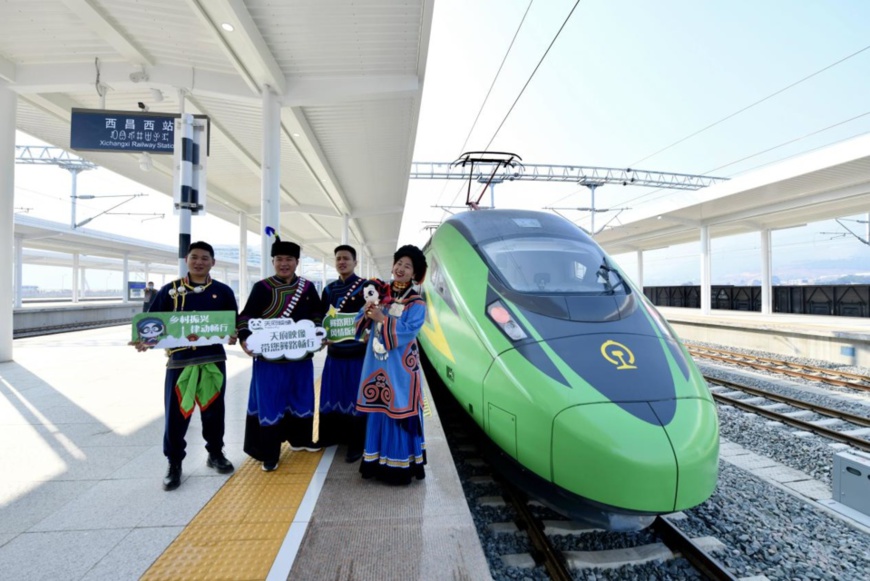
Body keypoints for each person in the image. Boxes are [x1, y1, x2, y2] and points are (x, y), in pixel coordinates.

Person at [134, 242, 238, 491]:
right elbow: (154, 323)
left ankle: (215, 453)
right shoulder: (170, 291)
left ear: (213, 262)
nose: (199, 262)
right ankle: (174, 463)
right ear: (186, 260)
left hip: (212, 361)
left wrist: (234, 334)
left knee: (214, 412)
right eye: (194, 257)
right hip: (179, 361)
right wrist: (145, 341)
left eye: (205, 258)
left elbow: (232, 324)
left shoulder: (223, 292)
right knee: (176, 415)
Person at [237, 235, 325, 472]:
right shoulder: (262, 287)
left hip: (300, 358)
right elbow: (245, 317)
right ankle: (269, 453)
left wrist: (318, 332)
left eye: (289, 259)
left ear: (297, 262)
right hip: (269, 360)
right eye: (279, 259)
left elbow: (318, 313)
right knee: (270, 402)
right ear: (273, 261)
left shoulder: (307, 288)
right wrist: (245, 339)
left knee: (301, 397)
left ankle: (300, 440)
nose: (284, 264)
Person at [354, 244, 428, 485]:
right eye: (399, 263)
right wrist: (366, 314)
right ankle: (375, 461)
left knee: (397, 408)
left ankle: (399, 466)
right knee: (378, 407)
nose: (401, 269)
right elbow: (360, 321)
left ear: (415, 274)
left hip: (401, 367)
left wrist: (382, 318)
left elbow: (408, 331)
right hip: (376, 364)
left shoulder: (416, 303)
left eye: (407, 266)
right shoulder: (380, 292)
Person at [319, 245, 368, 463]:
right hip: (335, 353)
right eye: (338, 258)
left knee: (354, 397)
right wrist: (322, 334)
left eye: (346, 258)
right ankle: (332, 437)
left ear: (355, 262)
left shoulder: (367, 287)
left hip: (358, 354)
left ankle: (356, 443)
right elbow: (325, 317)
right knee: (334, 394)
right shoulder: (329, 290)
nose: (342, 262)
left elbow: (374, 314)